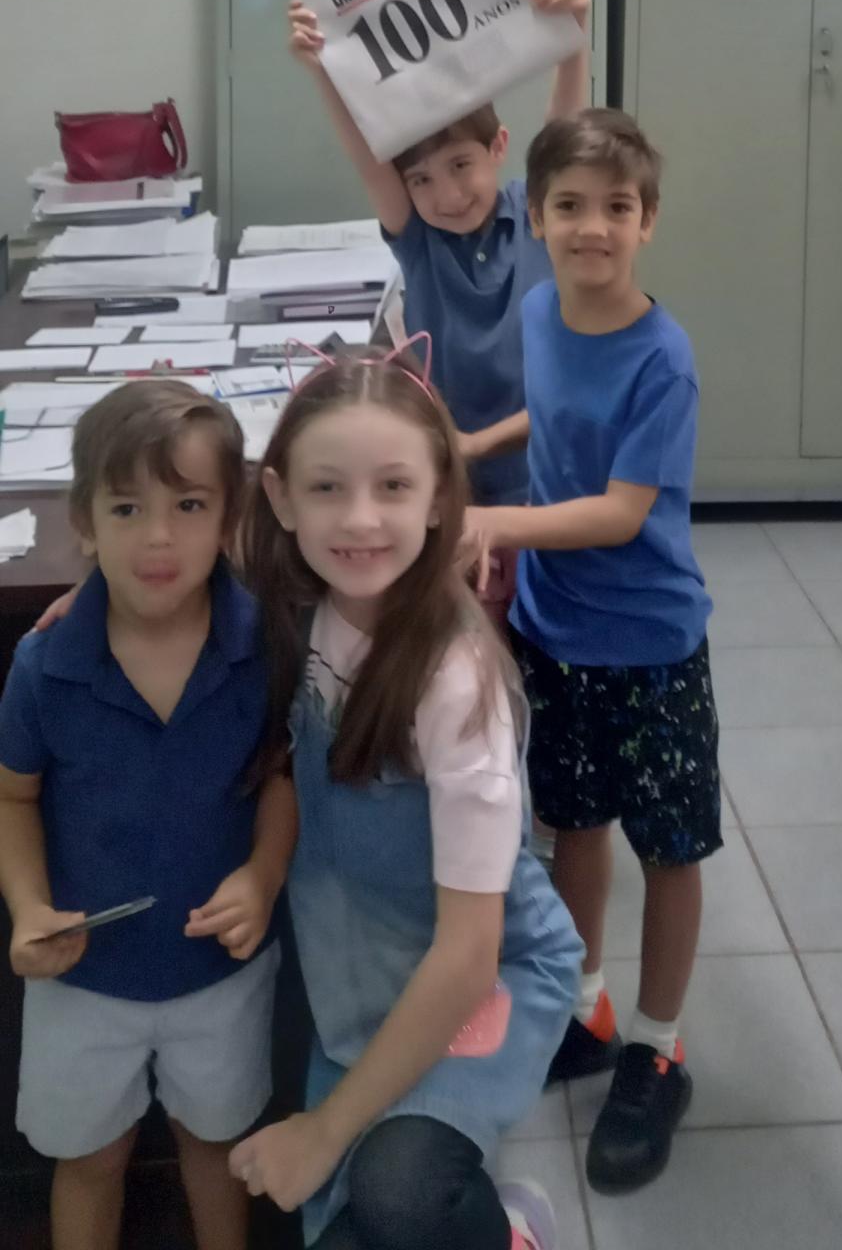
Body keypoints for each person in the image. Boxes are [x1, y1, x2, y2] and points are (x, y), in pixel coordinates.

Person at [228, 339, 584, 1250]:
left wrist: (325, 1131)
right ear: (280, 499)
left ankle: (509, 1231)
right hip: (359, 969)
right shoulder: (296, 606)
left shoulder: (454, 683)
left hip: (478, 975)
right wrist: (92, 608)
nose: (359, 519)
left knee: (396, 1191)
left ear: (437, 500)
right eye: (327, 488)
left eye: (393, 486)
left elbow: (469, 957)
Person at [460, 111, 721, 1195]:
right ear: (538, 218)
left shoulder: (664, 360)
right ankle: (583, 1008)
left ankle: (656, 1048)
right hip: (554, 630)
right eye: (569, 206)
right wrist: (477, 444)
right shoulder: (541, 309)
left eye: (617, 207)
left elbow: (619, 511)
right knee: (573, 822)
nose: (592, 227)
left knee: (669, 847)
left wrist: (490, 521)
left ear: (647, 221)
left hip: (649, 645)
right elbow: (552, 411)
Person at [0, 381, 297, 1250]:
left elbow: (279, 779)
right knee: (90, 1160)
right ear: (84, 522)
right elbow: (13, 795)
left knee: (216, 1149)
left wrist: (263, 875)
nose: (158, 537)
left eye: (189, 505)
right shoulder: (45, 665)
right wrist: (27, 907)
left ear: (230, 518)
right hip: (82, 978)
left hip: (222, 974)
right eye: (127, 508)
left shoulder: (265, 645)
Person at [288, 0, 590, 619]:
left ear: (498, 148)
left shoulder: (538, 215)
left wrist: (571, 39)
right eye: (420, 179)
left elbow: (564, 136)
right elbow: (367, 157)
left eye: (461, 166)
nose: (447, 196)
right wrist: (323, 70)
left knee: (543, 632)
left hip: (543, 479)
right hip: (452, 490)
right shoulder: (418, 239)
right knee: (467, 633)